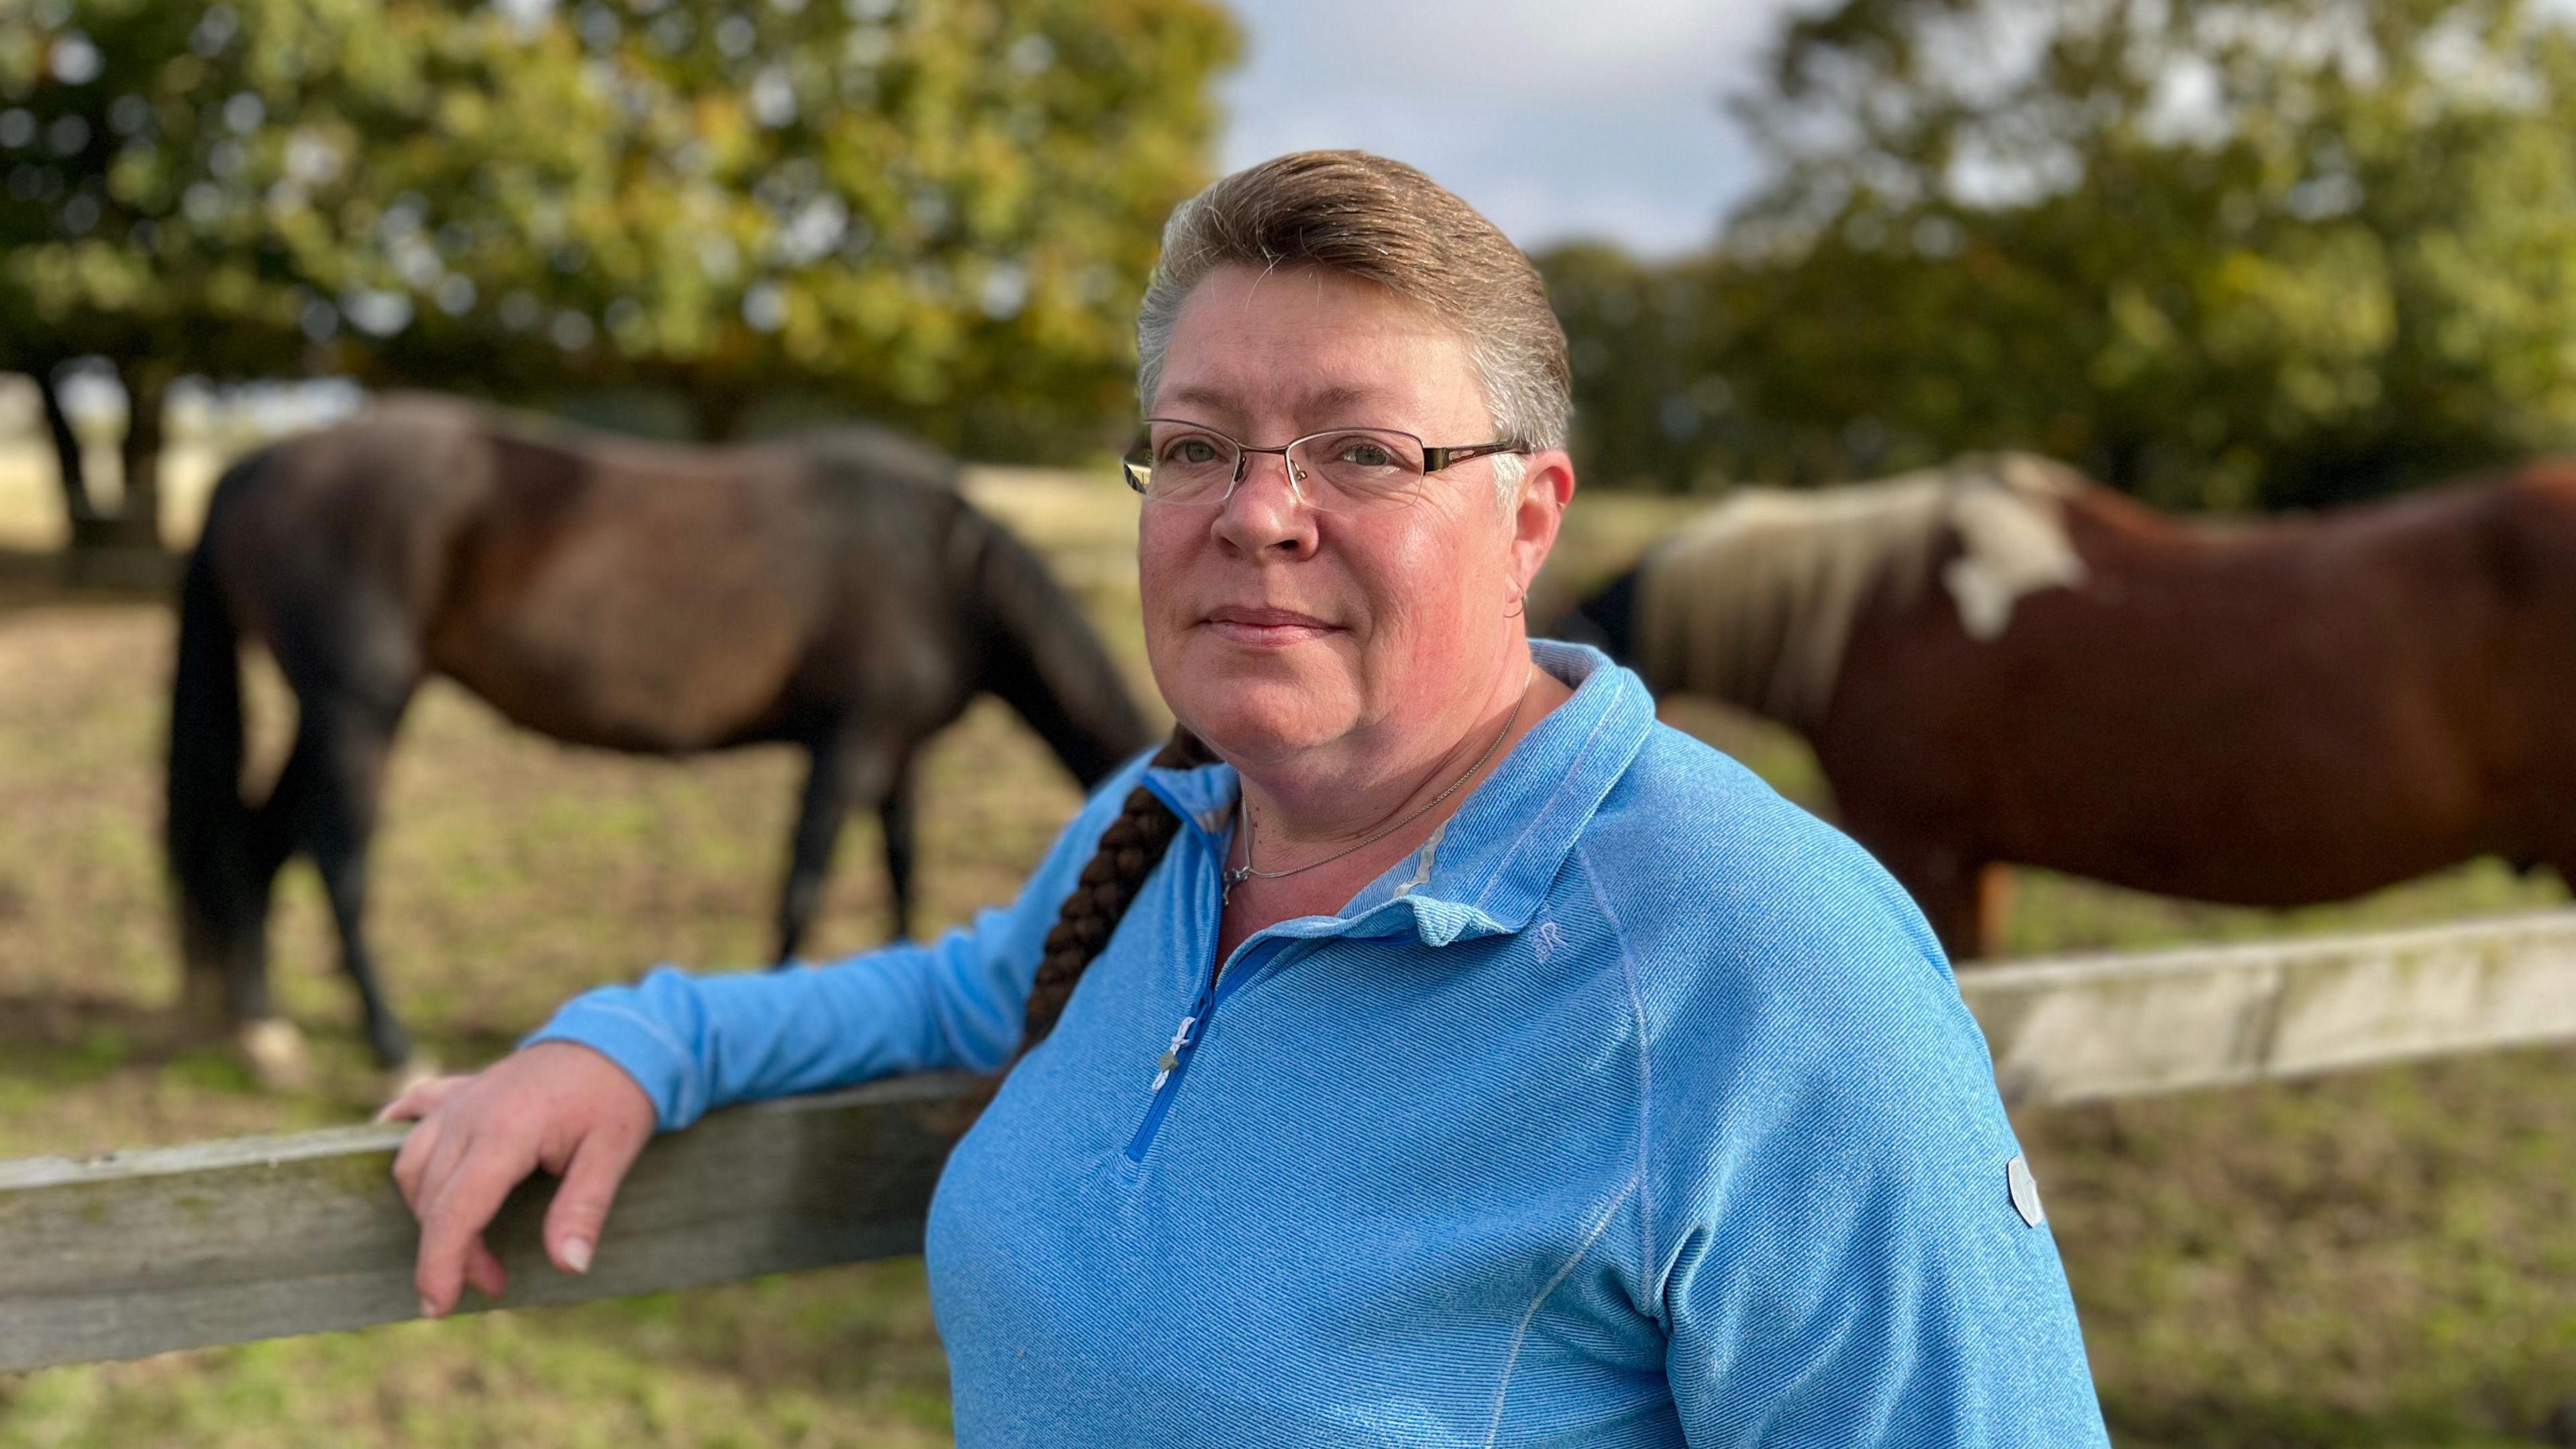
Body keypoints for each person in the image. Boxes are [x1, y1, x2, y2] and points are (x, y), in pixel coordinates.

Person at [384, 150, 2110, 1446]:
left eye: (1362, 452)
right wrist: (632, 1045)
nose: (1255, 512)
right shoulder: (1179, 822)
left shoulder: (1759, 967)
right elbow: (965, 991)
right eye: (1196, 444)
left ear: (1530, 519)